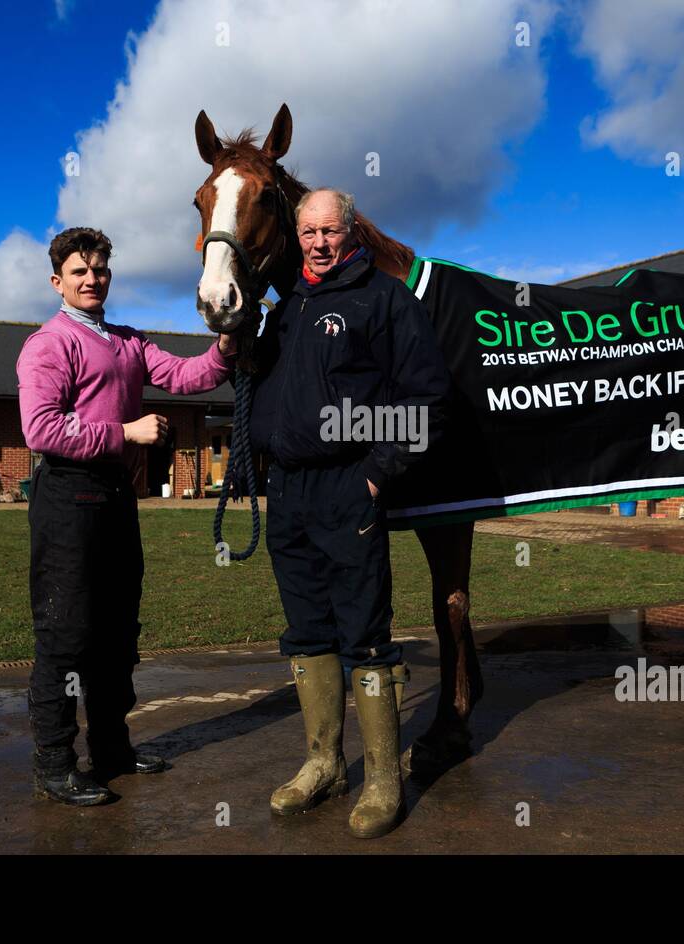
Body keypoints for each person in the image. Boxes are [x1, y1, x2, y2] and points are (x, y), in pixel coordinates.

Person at [250, 189, 449, 837]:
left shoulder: (385, 300)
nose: (318, 242)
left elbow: (428, 400)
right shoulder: (284, 312)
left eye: (330, 231)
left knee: (363, 631)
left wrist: (374, 474)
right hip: (289, 494)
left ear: (350, 232)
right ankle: (323, 764)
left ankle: (384, 777)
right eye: (308, 232)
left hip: (349, 488)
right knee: (306, 632)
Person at [17, 227, 236, 806]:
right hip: (67, 497)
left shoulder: (127, 341)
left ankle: (111, 747)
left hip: (115, 497)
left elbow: (191, 376)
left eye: (100, 271)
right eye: (80, 272)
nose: (92, 280)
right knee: (66, 633)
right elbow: (40, 428)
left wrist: (227, 346)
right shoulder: (48, 344)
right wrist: (126, 432)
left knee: (117, 633)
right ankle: (55, 761)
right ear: (57, 280)